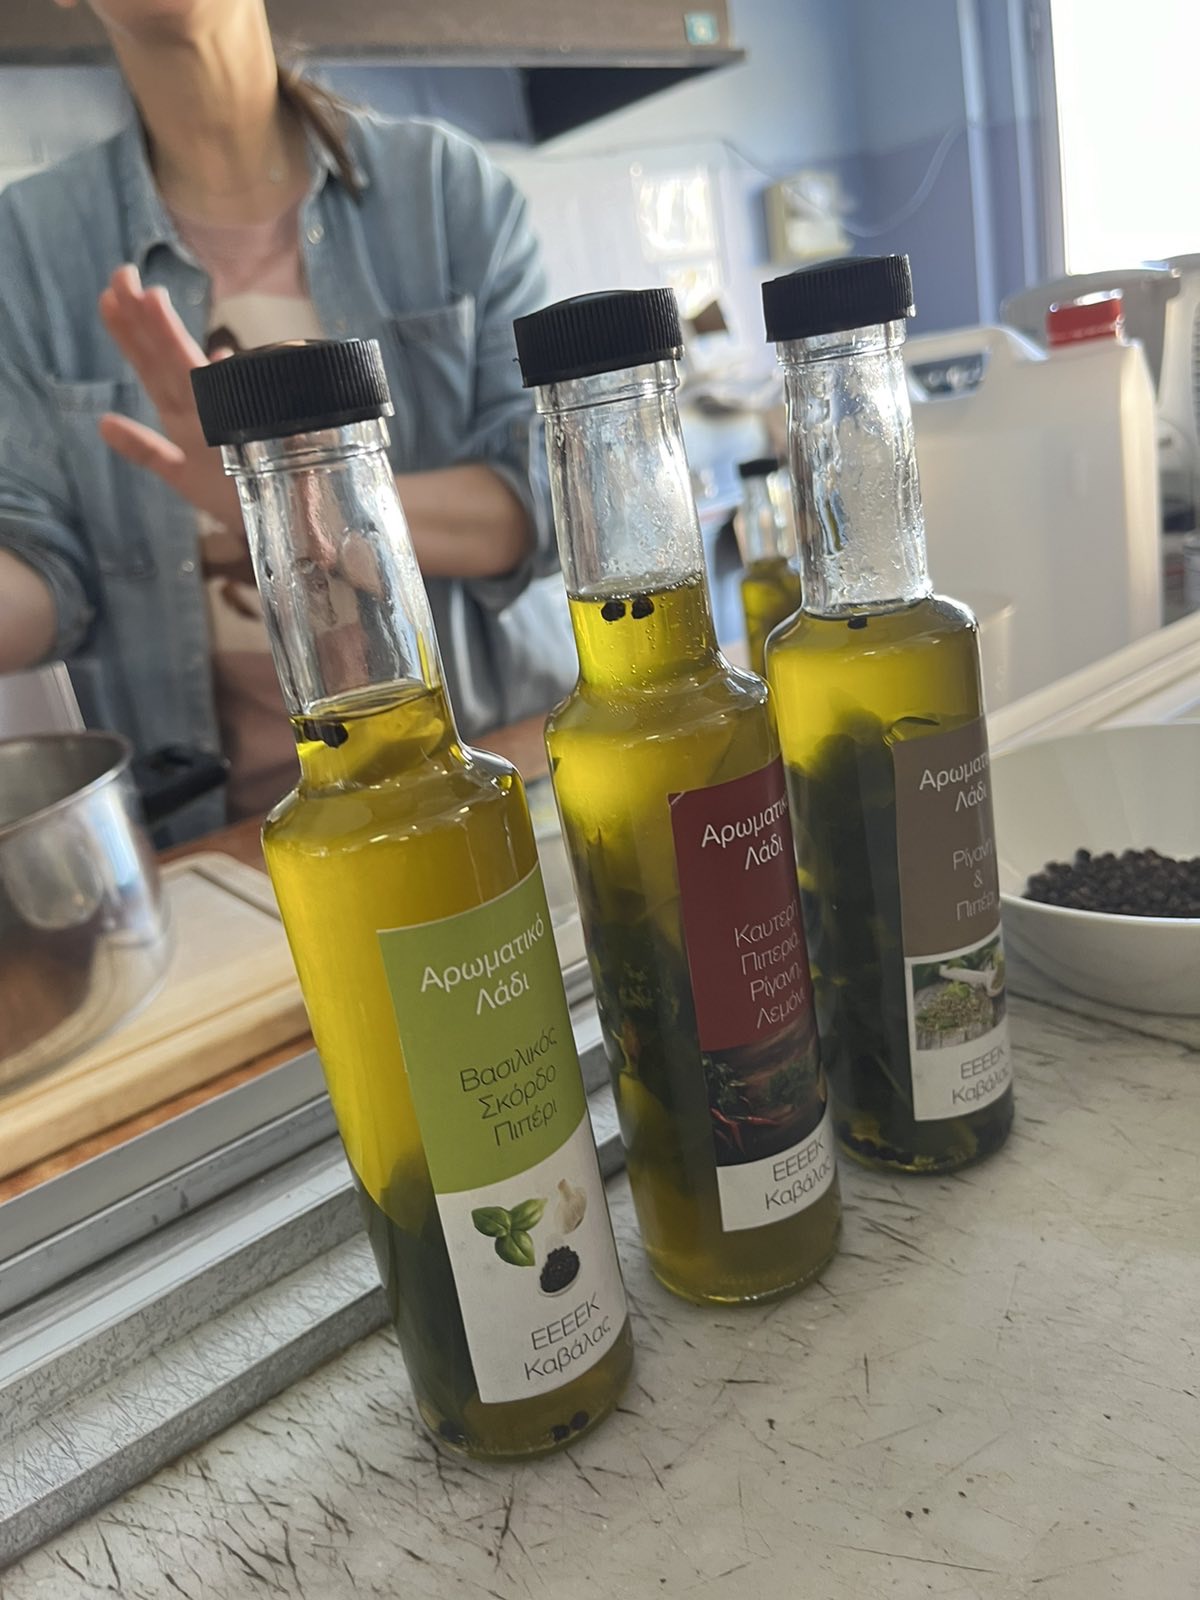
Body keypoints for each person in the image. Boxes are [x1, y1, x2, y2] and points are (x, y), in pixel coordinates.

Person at [0, 0, 573, 833]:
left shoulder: (444, 189)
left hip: (498, 773)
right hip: (232, 838)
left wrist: (287, 499)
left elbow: (547, 498)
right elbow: (44, 571)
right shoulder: (26, 248)